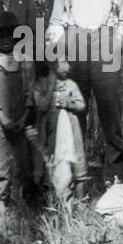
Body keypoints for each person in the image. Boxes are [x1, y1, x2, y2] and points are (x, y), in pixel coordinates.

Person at [46, 0, 123, 189]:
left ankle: (114, 177)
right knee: (74, 112)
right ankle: (75, 176)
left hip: (106, 43)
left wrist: (119, 42)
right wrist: (61, 46)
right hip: (74, 45)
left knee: (111, 112)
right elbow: (56, 21)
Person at [0, 10, 36, 212]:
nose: (5, 40)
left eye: (9, 35)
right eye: (0, 36)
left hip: (20, 118)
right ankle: (0, 202)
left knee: (21, 161)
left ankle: (20, 202)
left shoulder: (25, 60)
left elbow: (29, 91)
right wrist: (3, 118)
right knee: (0, 163)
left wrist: (25, 116)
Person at [33, 59, 88, 203]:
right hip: (50, 130)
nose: (62, 66)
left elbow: (81, 104)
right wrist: (51, 86)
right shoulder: (40, 84)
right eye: (57, 62)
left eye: (66, 62)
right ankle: (50, 199)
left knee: (76, 158)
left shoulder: (71, 84)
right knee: (50, 159)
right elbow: (40, 105)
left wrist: (69, 103)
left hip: (71, 127)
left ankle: (79, 199)